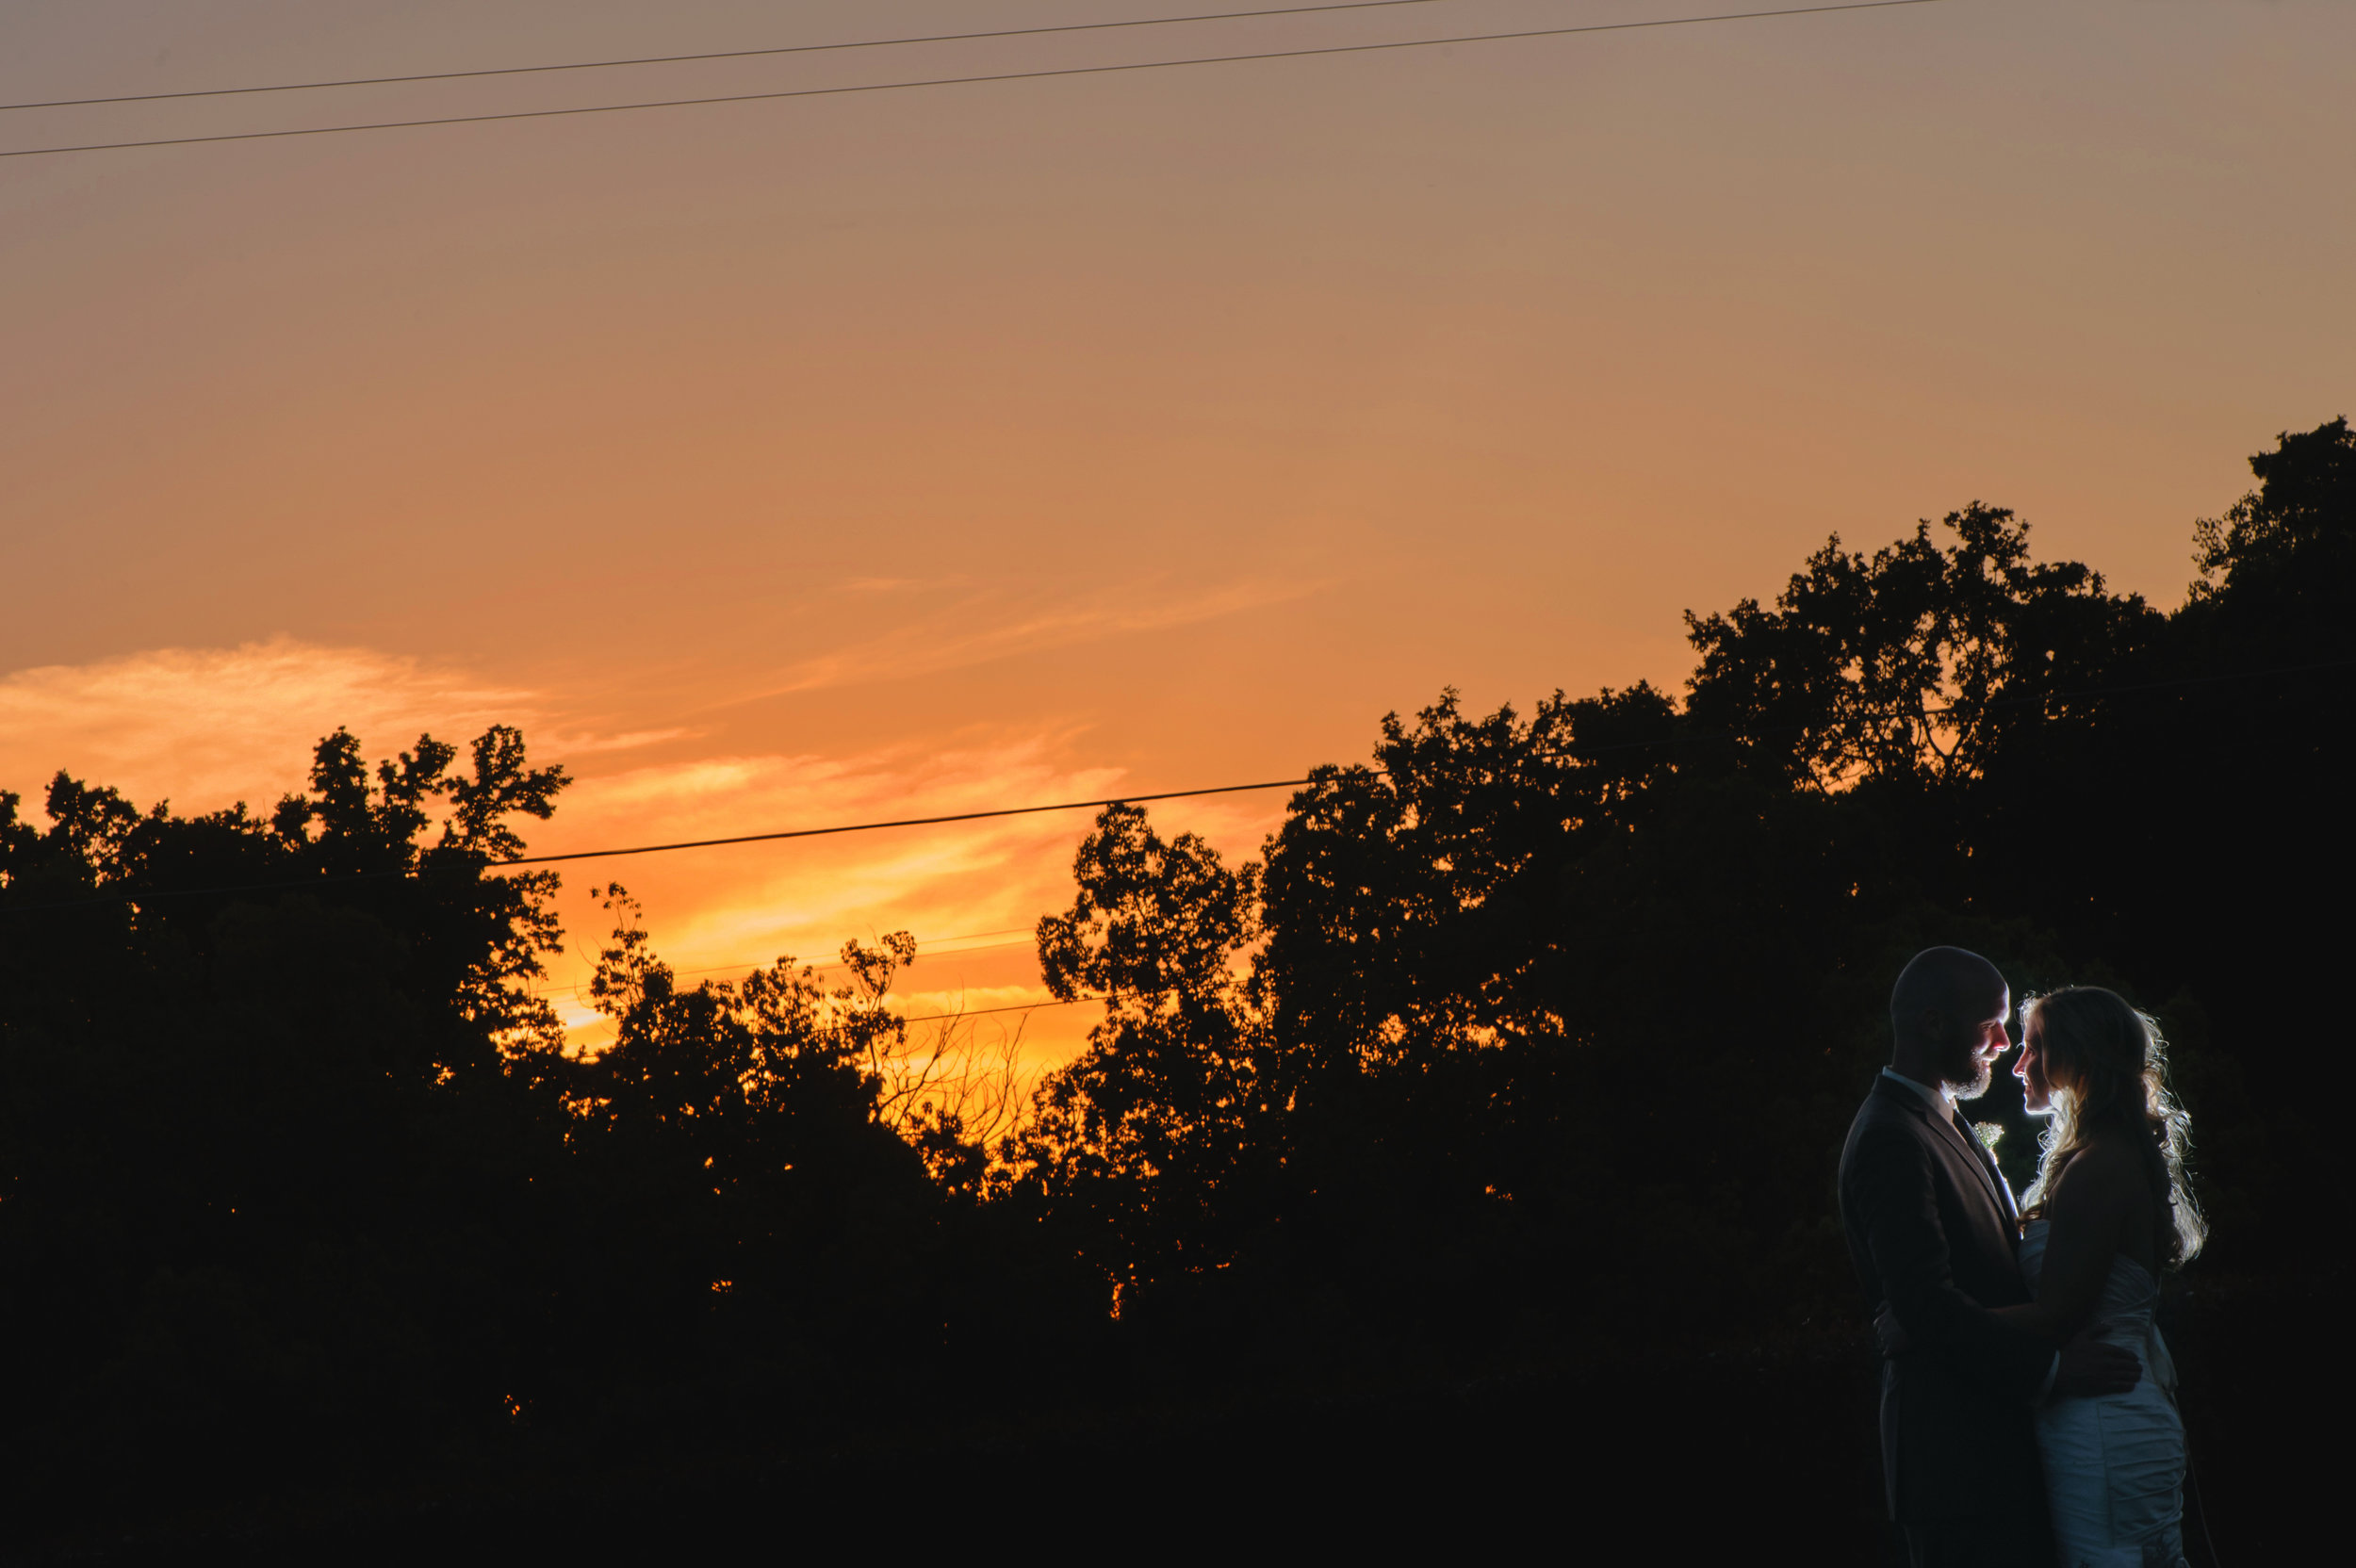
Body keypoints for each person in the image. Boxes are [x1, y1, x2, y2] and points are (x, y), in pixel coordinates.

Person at [1839, 947, 2142, 1567]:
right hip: (1952, 1465)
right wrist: (2053, 1369)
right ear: (1932, 1024)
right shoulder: (1889, 1138)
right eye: (1991, 1023)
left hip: (1997, 1452)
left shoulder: (1941, 1119)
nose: (2004, 1043)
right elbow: (1925, 1305)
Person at [1986, 987, 2202, 1568]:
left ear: (2080, 1057)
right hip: (2102, 1408)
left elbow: (2057, 1315)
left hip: (2106, 1423)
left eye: (2035, 1048)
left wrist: (1933, 1323)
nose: (2020, 1062)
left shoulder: (2099, 1164)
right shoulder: (2100, 1153)